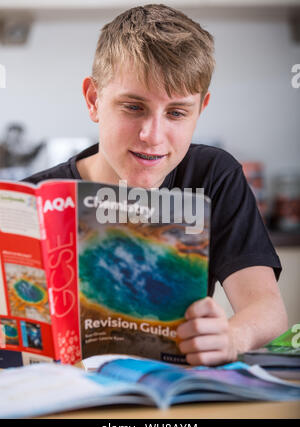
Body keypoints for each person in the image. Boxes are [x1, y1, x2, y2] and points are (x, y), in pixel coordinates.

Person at [23, 4, 288, 366]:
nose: (152, 136)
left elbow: (267, 309)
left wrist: (232, 335)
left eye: (177, 113)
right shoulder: (32, 199)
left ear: (201, 109)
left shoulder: (213, 175)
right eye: (133, 107)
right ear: (93, 100)